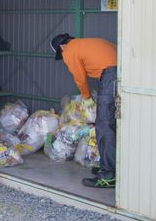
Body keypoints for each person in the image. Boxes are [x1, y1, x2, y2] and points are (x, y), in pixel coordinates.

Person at [50, 33, 118, 188]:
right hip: (122, 71)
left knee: (104, 125)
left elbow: (80, 78)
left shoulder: (70, 50)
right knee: (113, 123)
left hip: (110, 76)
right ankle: (112, 167)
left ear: (61, 47)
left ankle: (108, 176)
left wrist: (86, 98)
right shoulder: (87, 43)